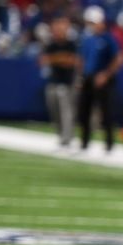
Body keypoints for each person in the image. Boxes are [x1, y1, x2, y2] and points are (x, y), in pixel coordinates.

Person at [77, 6, 123, 152]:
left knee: (107, 111)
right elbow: (82, 60)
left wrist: (105, 74)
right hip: (88, 77)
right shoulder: (87, 39)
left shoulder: (108, 38)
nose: (91, 25)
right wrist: (80, 77)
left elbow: (118, 58)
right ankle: (84, 142)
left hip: (104, 79)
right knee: (84, 110)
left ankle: (109, 143)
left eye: (93, 22)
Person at [38, 17, 78, 148]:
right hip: (53, 82)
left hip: (68, 81)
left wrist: (54, 59)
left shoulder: (72, 44)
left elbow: (72, 61)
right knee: (54, 110)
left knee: (67, 111)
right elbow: (42, 60)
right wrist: (60, 58)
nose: (59, 32)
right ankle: (61, 134)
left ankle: (67, 137)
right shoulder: (51, 45)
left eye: (61, 29)